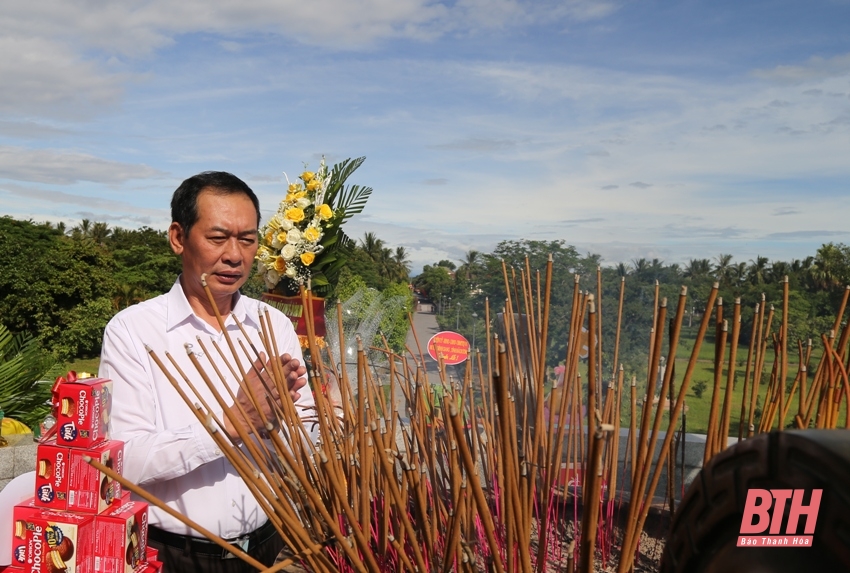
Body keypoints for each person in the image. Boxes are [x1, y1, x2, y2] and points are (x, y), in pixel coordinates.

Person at [100, 172, 315, 572]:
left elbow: (304, 432)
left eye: (247, 239)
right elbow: (121, 462)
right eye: (218, 238)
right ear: (178, 238)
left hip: (268, 548)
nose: (235, 255)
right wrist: (229, 424)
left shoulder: (273, 324)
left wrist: (326, 417)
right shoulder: (134, 330)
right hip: (172, 554)